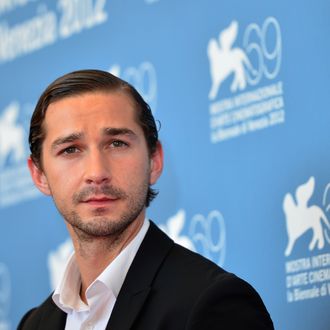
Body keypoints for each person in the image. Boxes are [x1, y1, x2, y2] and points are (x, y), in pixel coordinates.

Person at [18, 69, 274, 330]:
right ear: (39, 175)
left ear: (154, 161)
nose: (96, 173)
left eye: (117, 143)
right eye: (70, 149)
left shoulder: (211, 304)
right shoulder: (34, 325)